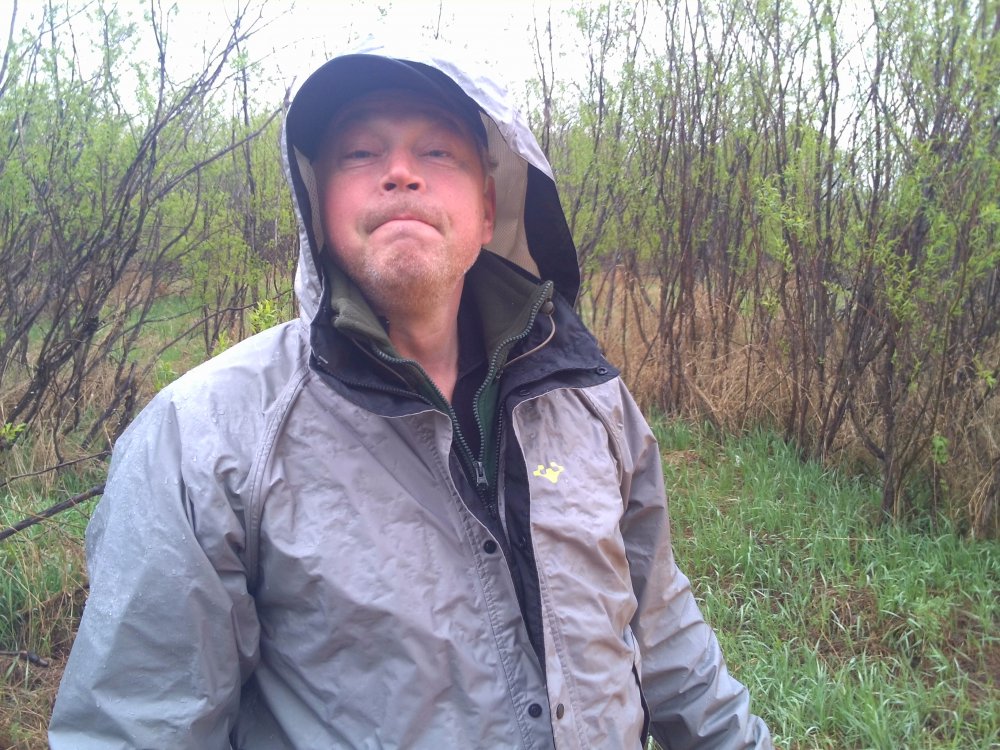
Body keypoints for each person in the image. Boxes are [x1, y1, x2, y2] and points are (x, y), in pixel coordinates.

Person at [49, 41, 773, 749]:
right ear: (320, 208)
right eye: (360, 153)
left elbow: (664, 630)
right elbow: (140, 725)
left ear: (487, 208)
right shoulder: (203, 438)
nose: (400, 172)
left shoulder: (591, 399)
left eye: (438, 151)